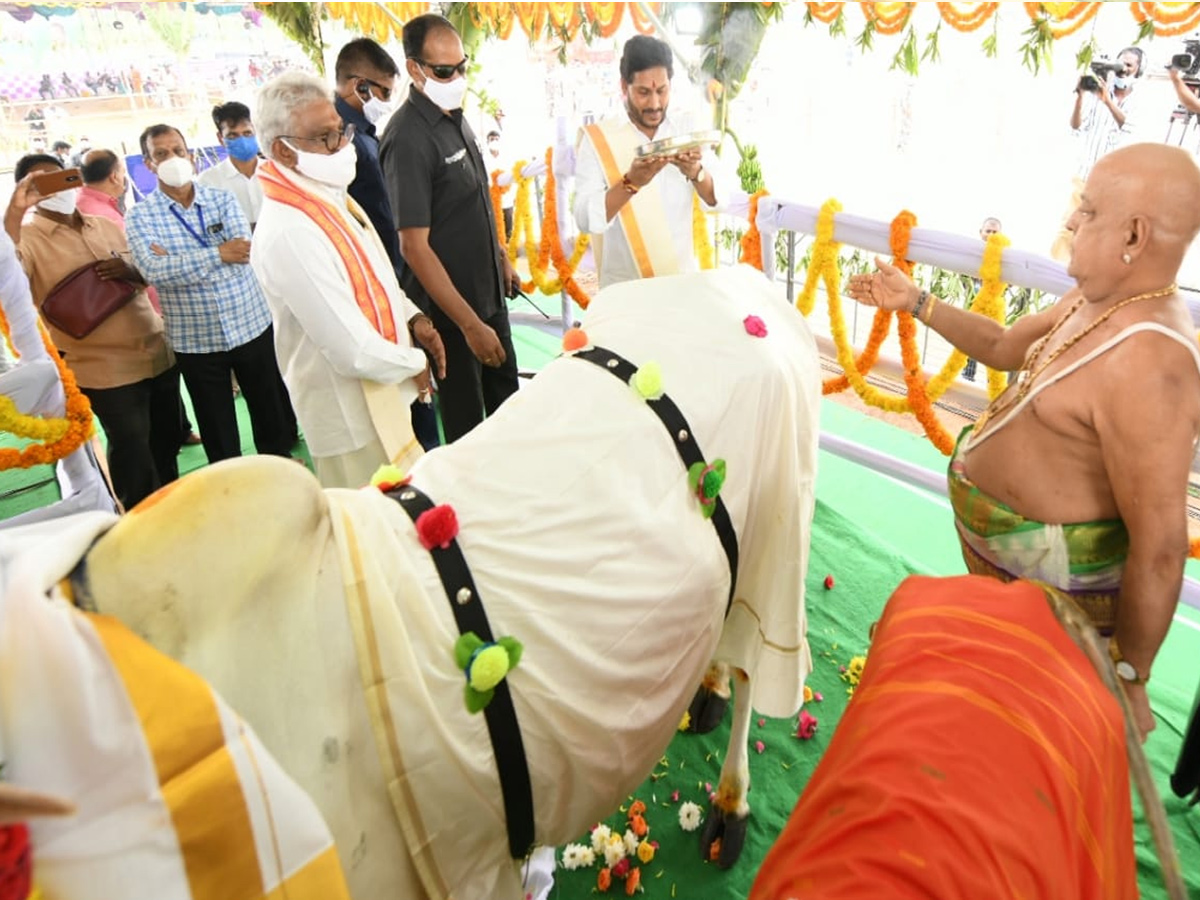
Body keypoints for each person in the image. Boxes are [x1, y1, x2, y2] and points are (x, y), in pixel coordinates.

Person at [845, 143, 1200, 742]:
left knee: (1015, 747)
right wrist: (916, 301)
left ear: (1134, 236)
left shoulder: (1153, 362)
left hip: (1057, 618)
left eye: (1086, 212)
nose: (1069, 221)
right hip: (1007, 593)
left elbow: (1161, 548)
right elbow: (1005, 346)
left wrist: (1130, 676)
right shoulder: (1096, 298)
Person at [251, 72, 445, 488]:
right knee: (372, 530)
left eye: (341, 131)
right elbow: (352, 352)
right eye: (324, 138)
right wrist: (415, 360)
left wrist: (413, 320)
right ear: (283, 151)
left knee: (408, 517)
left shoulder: (326, 192)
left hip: (386, 388)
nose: (343, 146)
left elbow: (374, 275)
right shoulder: (291, 229)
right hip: (350, 417)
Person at [4, 153, 182, 509]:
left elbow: (148, 270)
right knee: (132, 446)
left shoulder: (105, 224)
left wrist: (130, 269)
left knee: (169, 437)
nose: (58, 188)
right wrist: (14, 211)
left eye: (62, 177)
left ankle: (173, 506)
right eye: (42, 183)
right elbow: (4, 272)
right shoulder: (26, 240)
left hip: (155, 349)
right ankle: (139, 518)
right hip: (100, 368)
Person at [381, 13, 521, 444]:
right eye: (444, 70)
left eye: (462, 66)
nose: (457, 76)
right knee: (468, 429)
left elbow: (475, 196)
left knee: (511, 411)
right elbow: (414, 247)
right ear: (414, 69)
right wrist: (468, 325)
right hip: (453, 316)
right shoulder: (407, 138)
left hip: (489, 294)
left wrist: (501, 257)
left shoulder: (455, 114)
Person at [125, 123, 294, 466]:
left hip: (250, 322)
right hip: (196, 340)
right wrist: (217, 253)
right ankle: (230, 485)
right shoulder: (140, 217)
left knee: (268, 410)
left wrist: (178, 260)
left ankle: (280, 468)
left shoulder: (221, 199)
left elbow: (242, 251)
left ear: (190, 155)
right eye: (161, 154)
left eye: (177, 151)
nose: (172, 159)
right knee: (218, 428)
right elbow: (155, 272)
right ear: (148, 164)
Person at [334, 37, 441, 451]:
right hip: (379, 286)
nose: (386, 101)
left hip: (391, 281)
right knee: (411, 400)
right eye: (382, 92)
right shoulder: (348, 142)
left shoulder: (366, 135)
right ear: (359, 87)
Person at [573, 34, 721, 290]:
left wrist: (695, 172)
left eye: (661, 91)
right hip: (625, 291)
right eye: (643, 92)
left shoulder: (686, 130)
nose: (654, 104)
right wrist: (631, 183)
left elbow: (718, 197)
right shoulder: (599, 140)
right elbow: (586, 218)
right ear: (623, 86)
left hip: (679, 285)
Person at [80, 148, 201, 448]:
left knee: (164, 396)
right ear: (115, 175)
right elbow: (143, 263)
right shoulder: (97, 215)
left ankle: (179, 430)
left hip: (143, 319)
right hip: (126, 324)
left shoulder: (99, 206)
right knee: (139, 430)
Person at [1053, 47, 1145, 261]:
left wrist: (1108, 101)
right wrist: (1080, 97)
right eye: (1121, 64)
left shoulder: (1140, 101)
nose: (1123, 71)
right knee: (1067, 229)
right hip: (1085, 177)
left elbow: (1129, 127)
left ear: (1138, 71)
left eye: (1129, 66)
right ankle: (1052, 281)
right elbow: (1076, 126)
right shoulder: (1099, 92)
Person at [197, 101, 265, 229]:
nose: (243, 141)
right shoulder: (207, 183)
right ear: (220, 138)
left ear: (256, 132)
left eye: (247, 133)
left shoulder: (277, 173)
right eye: (233, 135)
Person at [962, 216, 1003, 382]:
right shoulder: (972, 252)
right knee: (970, 338)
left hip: (994, 307)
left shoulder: (1005, 255)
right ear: (981, 232)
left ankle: (992, 382)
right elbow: (962, 274)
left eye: (995, 232)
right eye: (988, 231)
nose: (991, 235)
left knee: (992, 342)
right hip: (974, 303)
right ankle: (967, 374)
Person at [485, 129, 514, 239]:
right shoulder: (483, 158)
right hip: (491, 198)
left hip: (507, 198)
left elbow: (512, 175)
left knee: (508, 227)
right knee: (493, 228)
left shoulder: (507, 157)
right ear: (487, 142)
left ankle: (509, 251)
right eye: (492, 139)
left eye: (496, 139)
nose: (494, 141)